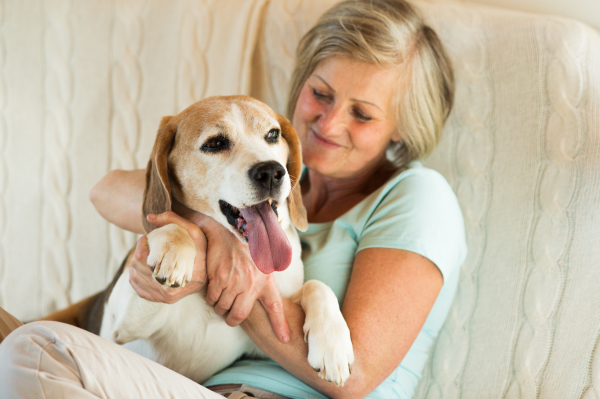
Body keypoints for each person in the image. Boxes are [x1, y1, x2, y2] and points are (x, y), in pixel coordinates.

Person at [0, 0, 466, 398]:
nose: (328, 123)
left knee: (32, 351)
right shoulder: (264, 181)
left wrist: (236, 282)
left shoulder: (418, 196)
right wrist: (214, 237)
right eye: (320, 93)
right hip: (188, 382)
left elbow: (354, 374)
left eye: (362, 113)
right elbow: (109, 190)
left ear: (405, 126)